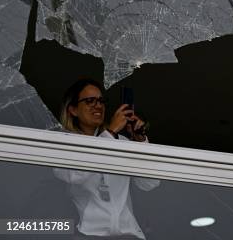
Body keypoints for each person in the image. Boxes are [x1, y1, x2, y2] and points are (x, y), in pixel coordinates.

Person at [54, 78, 159, 239]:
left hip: (128, 234)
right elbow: (74, 175)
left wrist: (140, 142)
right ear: (73, 110)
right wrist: (110, 133)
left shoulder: (119, 142)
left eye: (101, 101)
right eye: (90, 101)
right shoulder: (63, 144)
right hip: (87, 234)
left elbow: (150, 183)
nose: (98, 105)